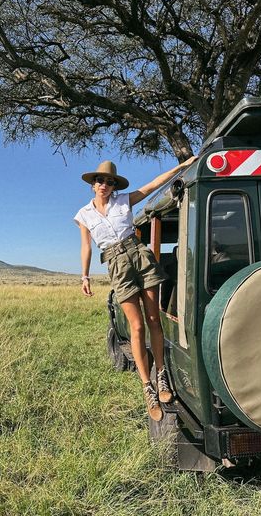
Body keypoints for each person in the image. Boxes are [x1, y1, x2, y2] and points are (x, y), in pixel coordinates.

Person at [74, 158, 197, 421]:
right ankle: (147, 386)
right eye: (99, 180)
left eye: (109, 181)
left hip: (139, 255)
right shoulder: (84, 215)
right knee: (136, 326)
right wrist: (84, 275)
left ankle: (161, 376)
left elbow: (154, 184)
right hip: (116, 263)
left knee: (154, 319)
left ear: (114, 185)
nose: (104, 185)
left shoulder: (124, 201)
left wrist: (182, 166)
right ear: (93, 184)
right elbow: (86, 246)